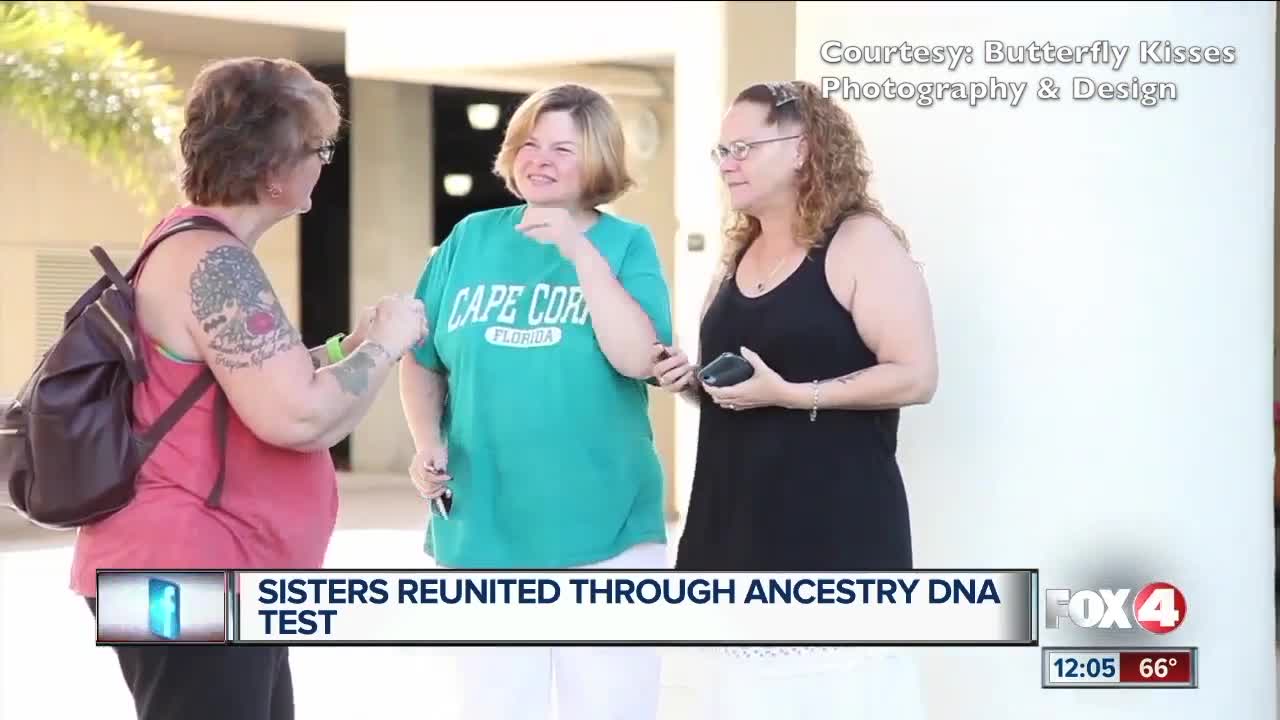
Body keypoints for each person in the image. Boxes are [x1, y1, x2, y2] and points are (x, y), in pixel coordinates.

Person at [69, 57, 428, 720]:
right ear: (273, 169)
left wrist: (348, 345)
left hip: (202, 569)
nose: (325, 165)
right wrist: (386, 345)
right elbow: (298, 418)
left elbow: (249, 379)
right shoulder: (215, 265)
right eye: (320, 149)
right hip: (185, 571)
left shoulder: (193, 246)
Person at [650, 80, 937, 716]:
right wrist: (692, 380)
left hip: (832, 537)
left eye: (744, 147)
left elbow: (916, 375)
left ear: (803, 148)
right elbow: (744, 392)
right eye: (722, 150)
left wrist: (791, 393)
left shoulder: (859, 241)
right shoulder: (738, 251)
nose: (728, 163)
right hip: (730, 534)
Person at [399, 83, 673, 720]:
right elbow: (421, 355)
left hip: (607, 531)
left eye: (562, 148)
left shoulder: (626, 243)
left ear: (598, 160)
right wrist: (427, 444)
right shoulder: (470, 237)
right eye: (529, 142)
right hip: (483, 526)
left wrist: (578, 251)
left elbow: (640, 358)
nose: (539, 158)